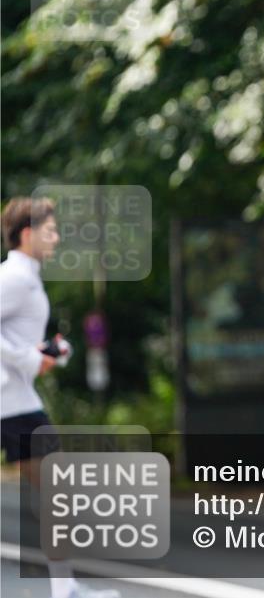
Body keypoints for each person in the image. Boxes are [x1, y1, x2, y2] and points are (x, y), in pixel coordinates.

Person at [1, 197, 119, 598]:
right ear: (28, 234)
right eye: (50, 231)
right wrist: (29, 358)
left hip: (15, 400)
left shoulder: (26, 278)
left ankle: (64, 585)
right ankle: (64, 587)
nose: (57, 238)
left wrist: (48, 352)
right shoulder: (15, 278)